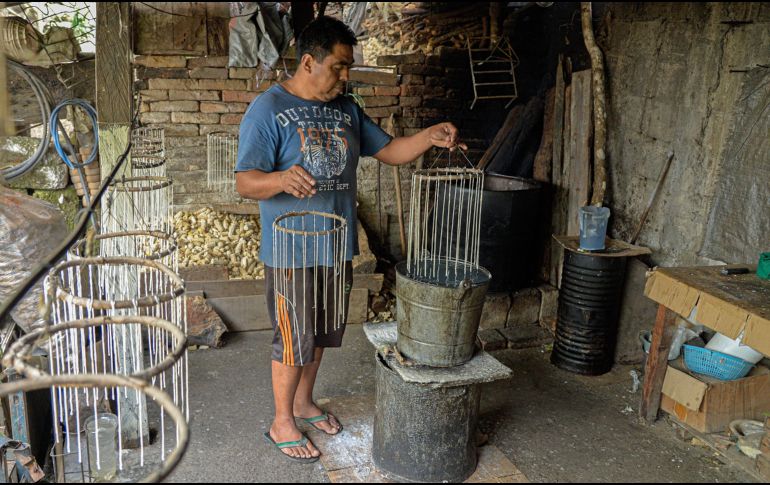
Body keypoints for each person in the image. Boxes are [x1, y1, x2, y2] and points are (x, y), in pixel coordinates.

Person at [235, 16, 466, 463]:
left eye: (349, 68)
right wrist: (280, 179)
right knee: (292, 336)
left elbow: (389, 151)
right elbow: (246, 182)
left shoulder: (347, 109)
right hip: (292, 251)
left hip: (335, 246)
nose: (346, 76)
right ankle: (281, 420)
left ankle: (303, 402)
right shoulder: (268, 109)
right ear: (308, 61)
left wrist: (429, 136)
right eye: (339, 67)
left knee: (319, 335)